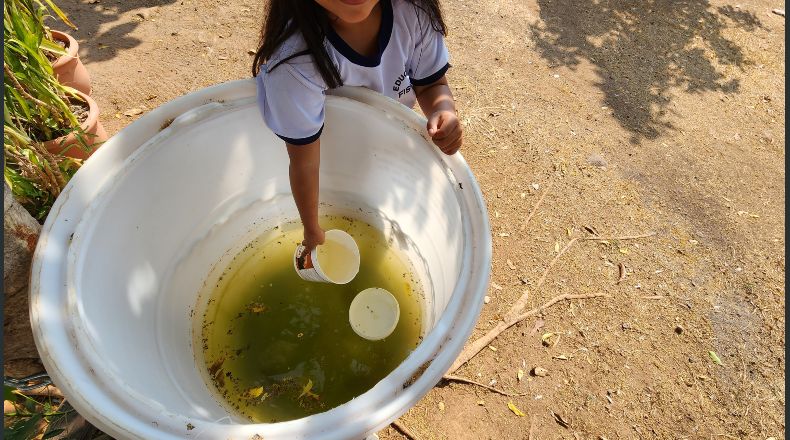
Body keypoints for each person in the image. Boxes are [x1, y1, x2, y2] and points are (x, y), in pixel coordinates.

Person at [253, 0, 462, 254]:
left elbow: (431, 84)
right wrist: (312, 229)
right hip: (325, 163)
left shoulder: (413, 12)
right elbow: (304, 163)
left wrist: (442, 110)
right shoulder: (295, 63)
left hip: (383, 157)